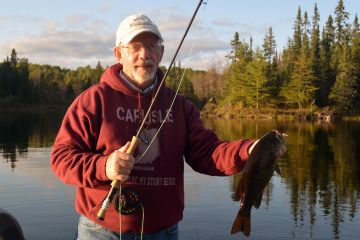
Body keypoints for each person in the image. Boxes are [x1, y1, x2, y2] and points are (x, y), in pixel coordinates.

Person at [50, 14, 284, 240]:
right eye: (135, 47)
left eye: (152, 46)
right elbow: (61, 159)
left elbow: (208, 153)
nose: (145, 54)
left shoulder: (179, 106)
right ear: (118, 54)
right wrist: (104, 166)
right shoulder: (94, 100)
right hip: (101, 231)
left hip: (164, 232)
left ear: (161, 53)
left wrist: (250, 150)